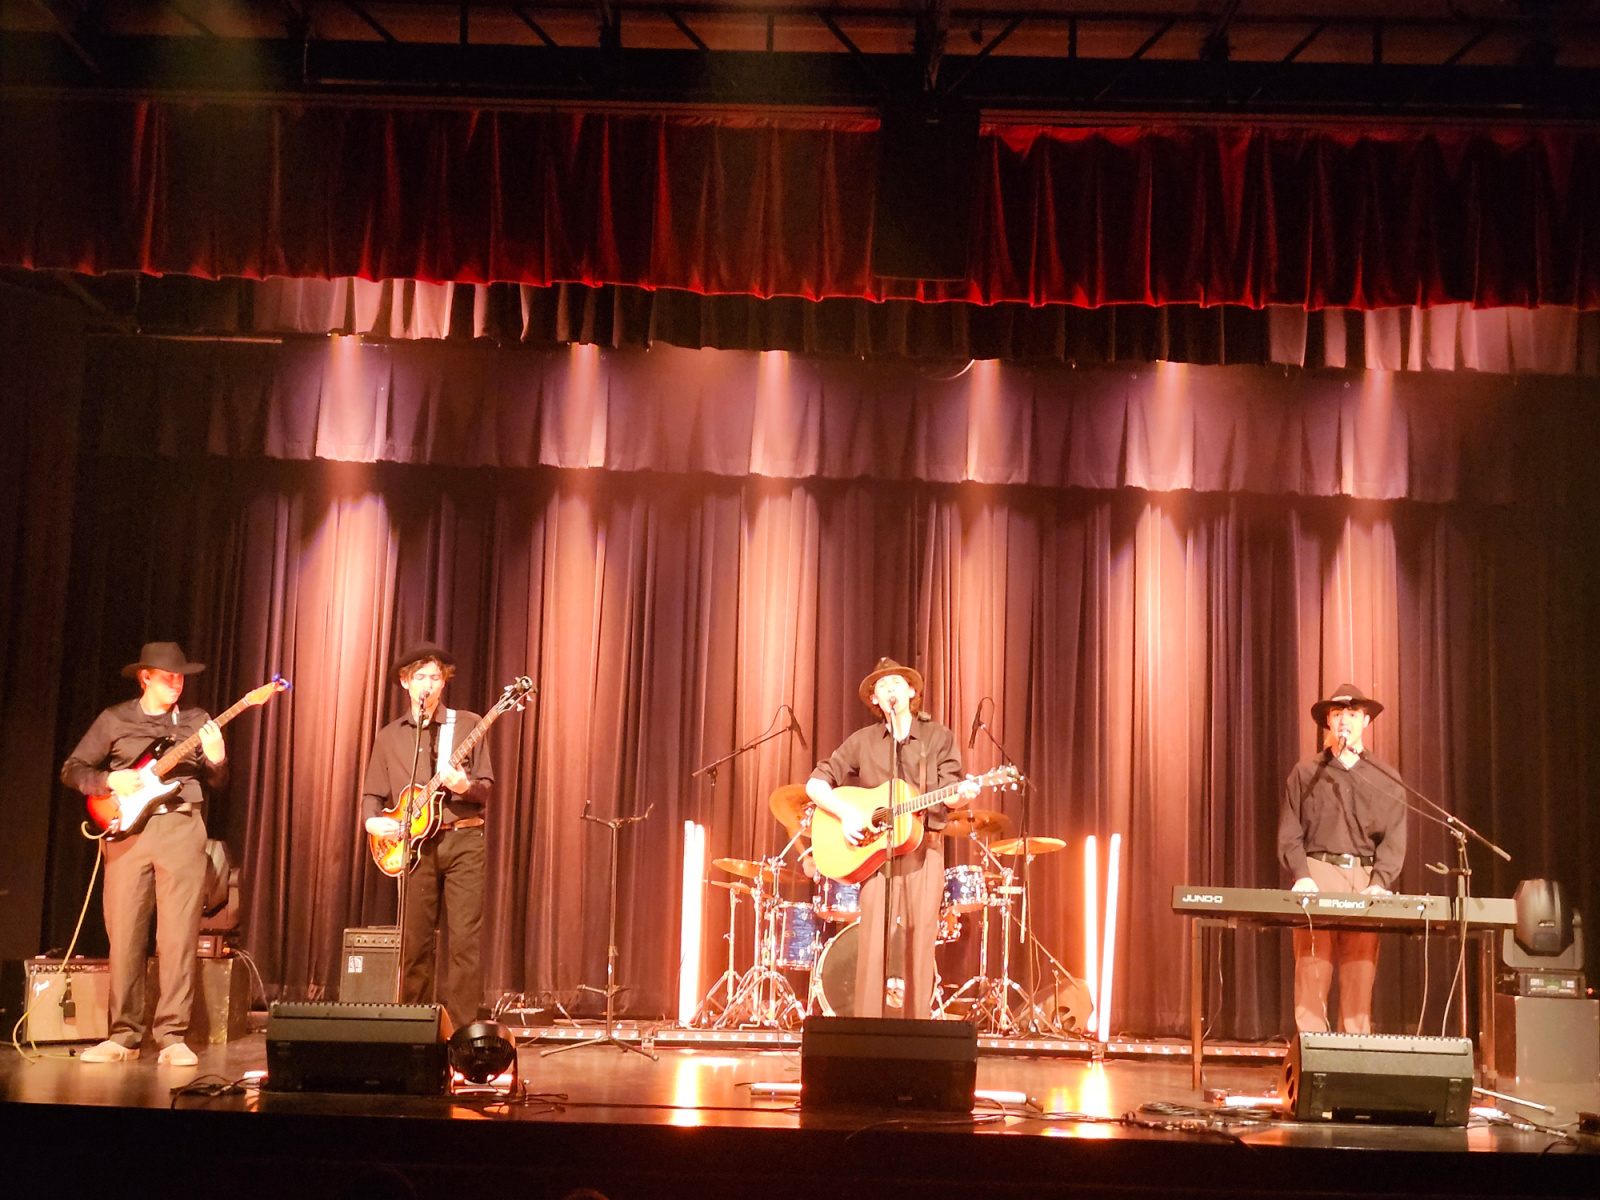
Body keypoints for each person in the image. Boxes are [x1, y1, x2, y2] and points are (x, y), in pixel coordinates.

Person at [61, 642, 228, 1066]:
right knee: (125, 933)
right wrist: (109, 781)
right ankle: (123, 1036)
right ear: (145, 677)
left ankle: (172, 1036)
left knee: (178, 935)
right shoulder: (115, 719)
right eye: (168, 676)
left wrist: (217, 760)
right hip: (127, 833)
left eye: (181, 676)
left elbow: (218, 783)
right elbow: (73, 769)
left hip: (181, 826)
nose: (176, 683)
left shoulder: (197, 720)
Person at [806, 657, 978, 1019]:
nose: (889, 690)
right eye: (881, 686)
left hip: (924, 850)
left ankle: (915, 1032)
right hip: (875, 855)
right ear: (875, 699)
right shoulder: (863, 741)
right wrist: (846, 812)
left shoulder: (937, 737)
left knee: (919, 943)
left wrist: (962, 794)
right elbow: (815, 784)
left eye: (896, 683)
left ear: (911, 691)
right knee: (873, 945)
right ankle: (868, 1030)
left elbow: (952, 794)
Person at [362, 643, 493, 1030]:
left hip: (464, 841)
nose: (428, 684)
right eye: (420, 677)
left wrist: (465, 786)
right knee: (415, 943)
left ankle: (463, 1036)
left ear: (444, 682)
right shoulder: (389, 737)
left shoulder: (466, 725)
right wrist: (371, 822)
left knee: (464, 943)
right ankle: (413, 1031)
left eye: (435, 677)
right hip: (414, 848)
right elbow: (372, 795)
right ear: (405, 683)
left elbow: (485, 788)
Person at [1278, 683, 1408, 1034]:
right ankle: (1311, 1052)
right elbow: (1290, 832)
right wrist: (1302, 874)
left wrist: (1380, 882)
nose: (1344, 721)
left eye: (1352, 714)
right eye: (1337, 714)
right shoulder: (1306, 773)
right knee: (1311, 972)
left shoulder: (1386, 777)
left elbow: (1394, 839)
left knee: (1359, 975)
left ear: (1366, 721)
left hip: (1364, 880)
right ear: (1328, 723)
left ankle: (1354, 1054)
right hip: (1318, 873)